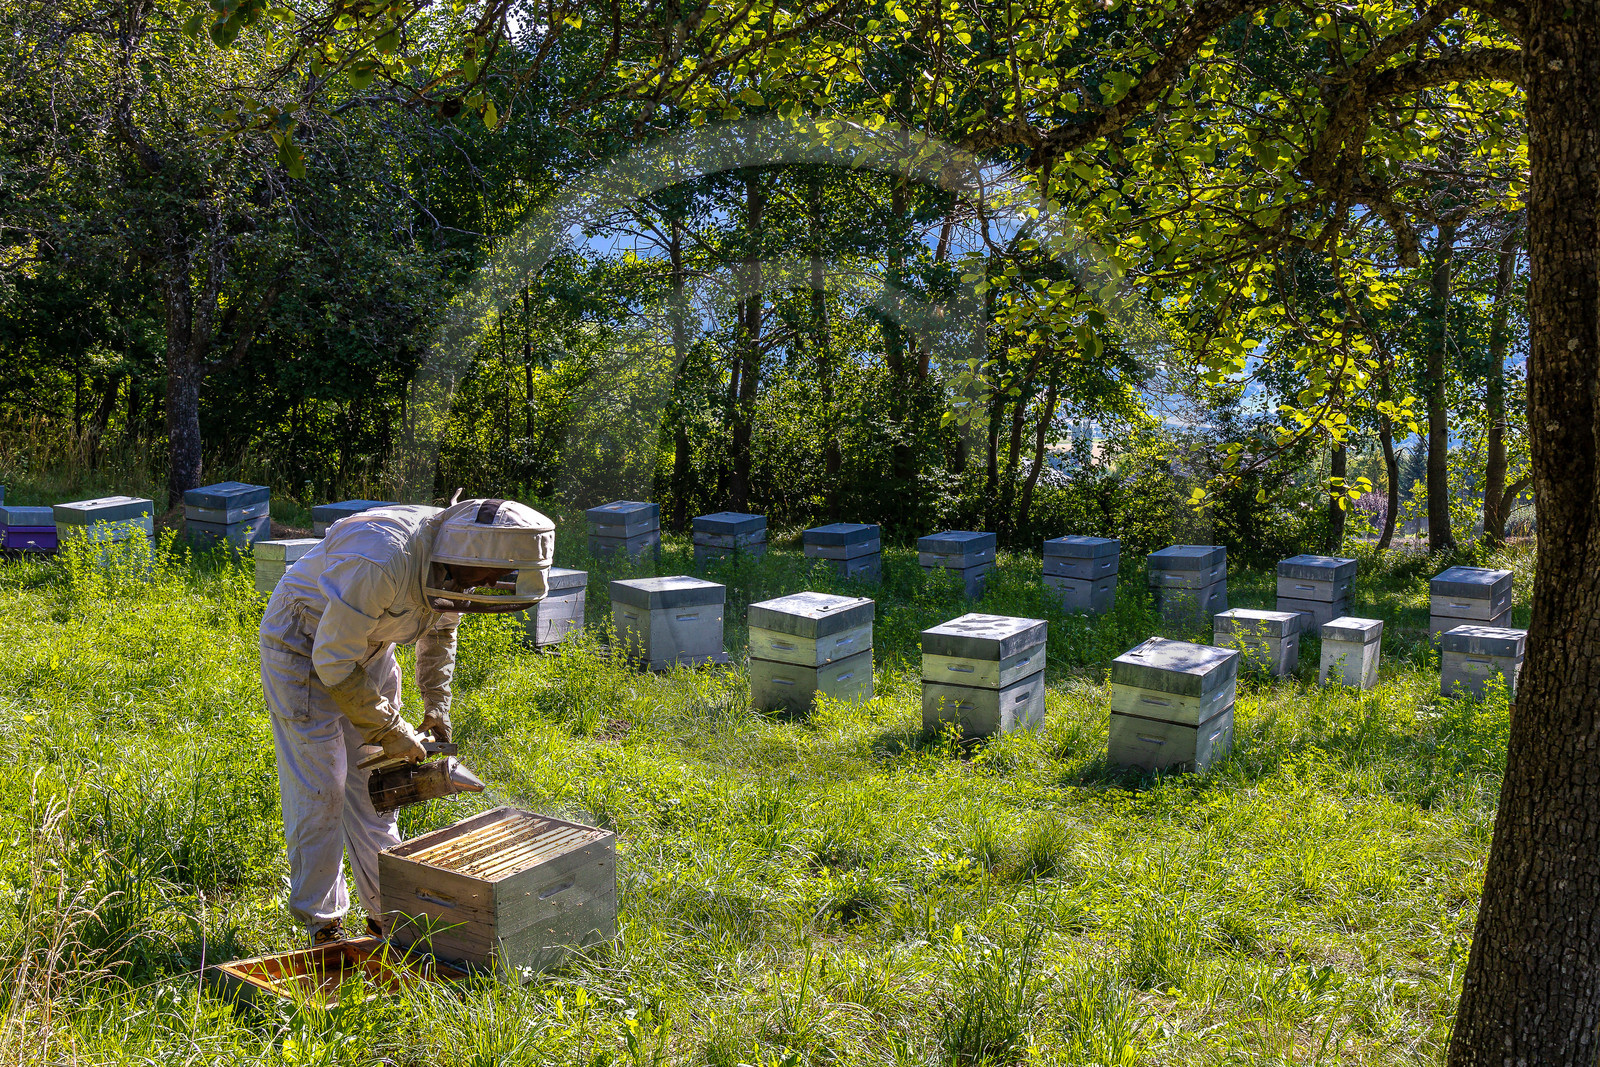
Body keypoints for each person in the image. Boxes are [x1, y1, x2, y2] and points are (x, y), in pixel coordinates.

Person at [259, 497, 554, 945]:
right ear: (463, 553)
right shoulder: (382, 559)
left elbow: (440, 630)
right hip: (303, 645)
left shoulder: (456, 564)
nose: (492, 582)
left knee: (379, 791)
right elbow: (333, 660)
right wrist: (389, 730)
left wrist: (435, 704)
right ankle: (322, 924)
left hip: (369, 650)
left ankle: (387, 913)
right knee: (322, 789)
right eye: (489, 574)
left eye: (501, 576)